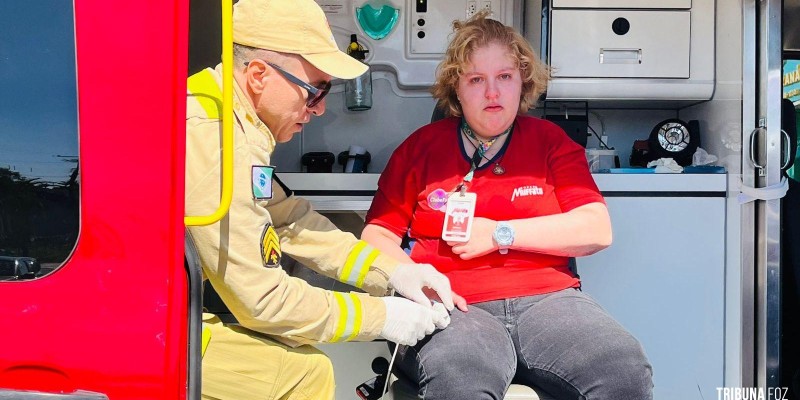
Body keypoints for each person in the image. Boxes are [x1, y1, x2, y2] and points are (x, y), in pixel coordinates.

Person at [361, 12, 654, 400]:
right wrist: (415, 278)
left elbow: (596, 228)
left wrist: (500, 233)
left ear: (523, 82)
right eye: (476, 80)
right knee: (460, 375)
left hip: (550, 302)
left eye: (504, 77)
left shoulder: (550, 142)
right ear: (456, 88)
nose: (492, 93)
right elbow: (377, 235)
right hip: (454, 305)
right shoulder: (420, 149)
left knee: (623, 370)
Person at [185, 0, 462, 398]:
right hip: (130, 330)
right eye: (315, 90)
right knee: (302, 375)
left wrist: (393, 274)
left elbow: (289, 219)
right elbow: (263, 302)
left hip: (144, 313)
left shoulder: (227, 119)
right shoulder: (216, 140)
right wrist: (381, 316)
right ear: (259, 75)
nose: (321, 109)